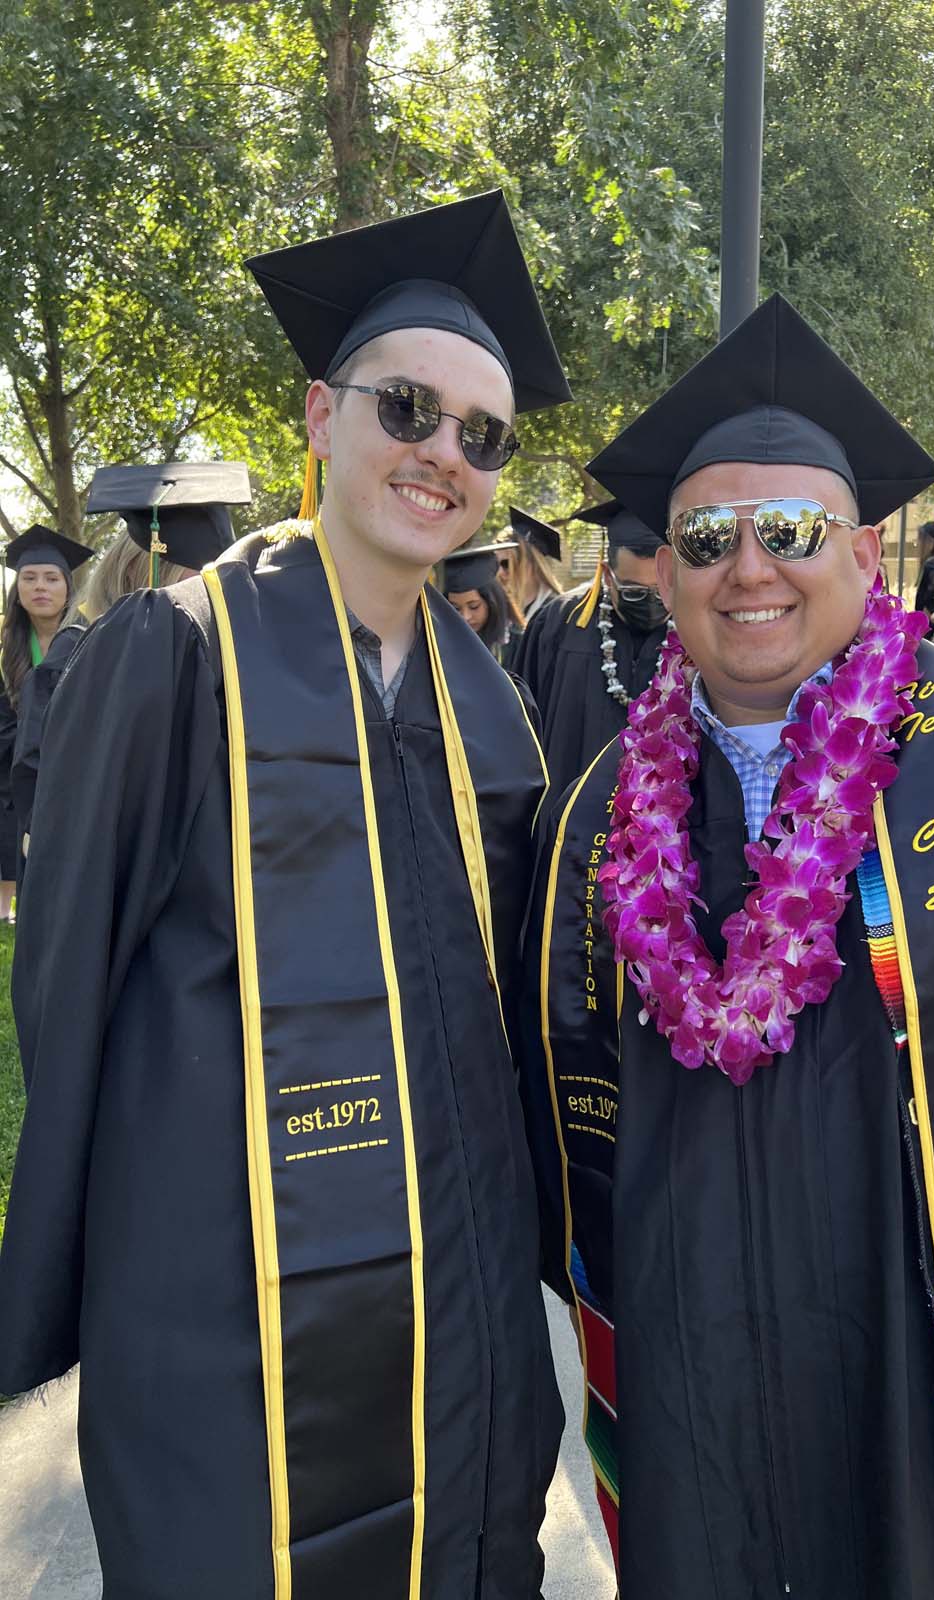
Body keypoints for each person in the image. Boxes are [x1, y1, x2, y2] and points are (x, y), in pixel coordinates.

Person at [522, 293, 934, 1600]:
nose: (748, 569)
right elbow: (554, 1062)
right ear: (665, 565)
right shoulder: (601, 810)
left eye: (790, 531)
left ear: (864, 544)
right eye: (706, 537)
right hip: (700, 1340)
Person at [0, 190, 572, 1599]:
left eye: (479, 436)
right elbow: (65, 985)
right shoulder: (170, 658)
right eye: (407, 408)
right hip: (227, 1300)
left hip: (456, 1292)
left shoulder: (487, 707)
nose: (441, 453)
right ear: (321, 418)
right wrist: (73, 1279)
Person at [11, 461, 249, 870]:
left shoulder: (218, 657)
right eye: (195, 583)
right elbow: (43, 781)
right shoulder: (78, 654)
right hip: (110, 876)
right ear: (147, 569)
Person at [513, 498, 668, 802]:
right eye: (634, 592)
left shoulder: (695, 630)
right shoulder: (558, 623)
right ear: (608, 576)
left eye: (662, 589)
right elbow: (518, 729)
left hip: (663, 830)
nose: (652, 602)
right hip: (564, 827)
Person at [0, 527, 93, 921]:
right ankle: (6, 910)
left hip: (73, 764)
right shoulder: (5, 648)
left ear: (68, 587)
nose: (40, 587)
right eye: (29, 578)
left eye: (52, 578)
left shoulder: (91, 639)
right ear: (16, 588)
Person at [440, 542, 525, 668]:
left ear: (493, 602)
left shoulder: (519, 644)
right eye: (456, 608)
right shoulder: (441, 643)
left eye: (474, 606)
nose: (465, 616)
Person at [497, 504, 563, 623]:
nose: (500, 572)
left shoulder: (557, 612)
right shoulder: (504, 610)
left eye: (506, 564)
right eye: (496, 564)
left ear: (531, 564)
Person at [913, 518, 934, 622]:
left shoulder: (932, 563)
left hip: (930, 623)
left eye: (920, 539)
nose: (918, 543)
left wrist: (931, 609)